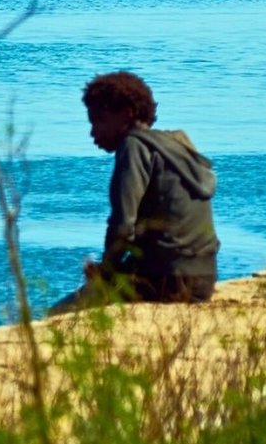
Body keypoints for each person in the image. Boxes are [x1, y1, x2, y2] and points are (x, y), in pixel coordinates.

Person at [49, 71, 220, 315]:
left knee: (60, 313)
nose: (92, 133)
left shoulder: (134, 147)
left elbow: (123, 226)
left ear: (127, 114)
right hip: (203, 278)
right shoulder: (177, 144)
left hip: (167, 282)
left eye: (99, 120)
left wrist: (105, 275)